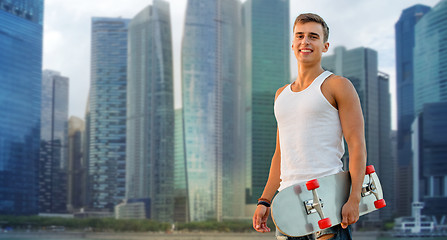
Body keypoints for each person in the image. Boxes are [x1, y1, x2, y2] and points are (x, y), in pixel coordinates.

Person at [252, 13, 366, 240]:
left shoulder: (338, 85)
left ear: (325, 46)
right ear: (293, 44)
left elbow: (357, 145)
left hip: (328, 204)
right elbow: (280, 154)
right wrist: (265, 200)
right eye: (300, 36)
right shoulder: (280, 95)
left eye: (313, 37)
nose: (305, 41)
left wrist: (354, 199)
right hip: (287, 208)